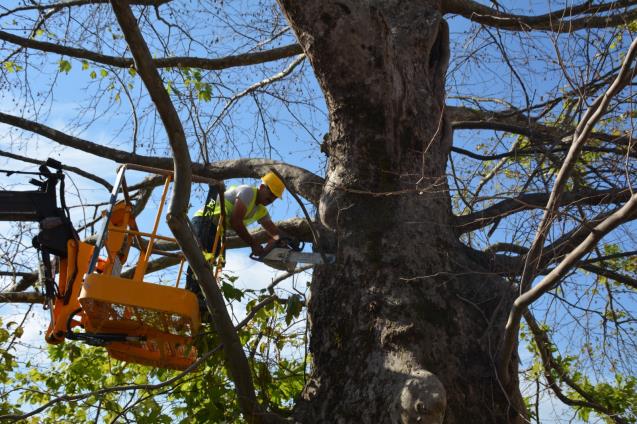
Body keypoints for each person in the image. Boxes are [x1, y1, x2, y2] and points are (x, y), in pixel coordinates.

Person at [186, 171, 286, 314]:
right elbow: (236, 221)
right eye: (270, 194)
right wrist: (253, 244)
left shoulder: (261, 210)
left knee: (209, 264)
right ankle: (191, 295)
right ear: (262, 187)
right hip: (205, 220)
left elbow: (273, 230)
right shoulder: (248, 192)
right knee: (201, 260)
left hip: (217, 230)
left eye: (275, 198)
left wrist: (282, 241)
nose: (271, 199)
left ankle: (200, 299)